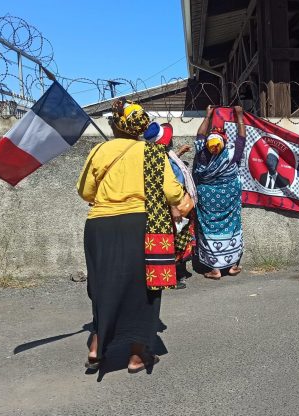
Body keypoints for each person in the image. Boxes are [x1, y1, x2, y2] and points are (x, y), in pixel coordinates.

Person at [77, 99, 190, 373]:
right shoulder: (152, 152)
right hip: (141, 225)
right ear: (140, 127)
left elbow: (85, 192)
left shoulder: (98, 151)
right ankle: (138, 357)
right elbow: (174, 193)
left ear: (115, 125)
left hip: (100, 226)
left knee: (103, 287)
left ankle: (97, 346)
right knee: (144, 290)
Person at [193, 105, 246, 280]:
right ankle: (231, 265)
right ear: (223, 142)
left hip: (207, 198)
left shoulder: (202, 154)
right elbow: (241, 138)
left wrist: (207, 116)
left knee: (209, 228)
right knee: (231, 225)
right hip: (228, 196)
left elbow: (199, 135)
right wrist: (239, 116)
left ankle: (215, 269)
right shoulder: (231, 154)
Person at [144, 121, 196, 289]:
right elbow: (166, 185)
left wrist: (178, 153)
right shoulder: (161, 158)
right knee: (176, 240)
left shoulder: (162, 155)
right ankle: (175, 276)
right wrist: (173, 207)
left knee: (180, 238)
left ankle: (176, 274)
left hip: (178, 205)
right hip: (173, 207)